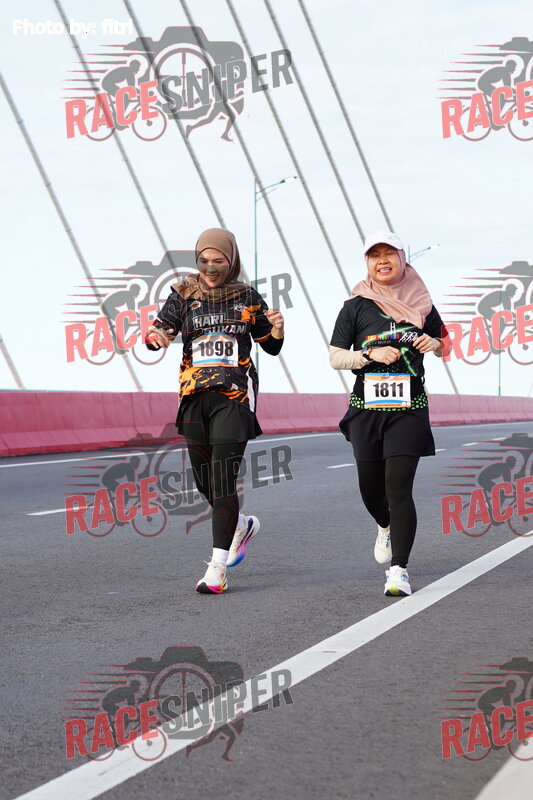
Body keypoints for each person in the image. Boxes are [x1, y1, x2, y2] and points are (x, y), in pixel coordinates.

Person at [144, 228, 284, 594]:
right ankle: (239, 525)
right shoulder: (183, 294)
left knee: (222, 478)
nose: (210, 267)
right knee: (203, 479)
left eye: (218, 260)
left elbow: (269, 346)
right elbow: (160, 332)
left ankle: (218, 568)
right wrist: (155, 339)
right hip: (194, 396)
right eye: (204, 260)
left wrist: (277, 330)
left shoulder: (247, 297)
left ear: (231, 261)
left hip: (234, 396)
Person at [329, 230, 447, 596]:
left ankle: (399, 571)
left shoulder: (422, 303)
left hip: (408, 409)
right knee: (371, 490)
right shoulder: (355, 306)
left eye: (389, 254)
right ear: (367, 263)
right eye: (374, 255)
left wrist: (434, 342)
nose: (382, 261)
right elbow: (336, 357)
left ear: (402, 259)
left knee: (399, 488)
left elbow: (445, 345)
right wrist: (369, 355)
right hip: (367, 409)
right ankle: (385, 526)